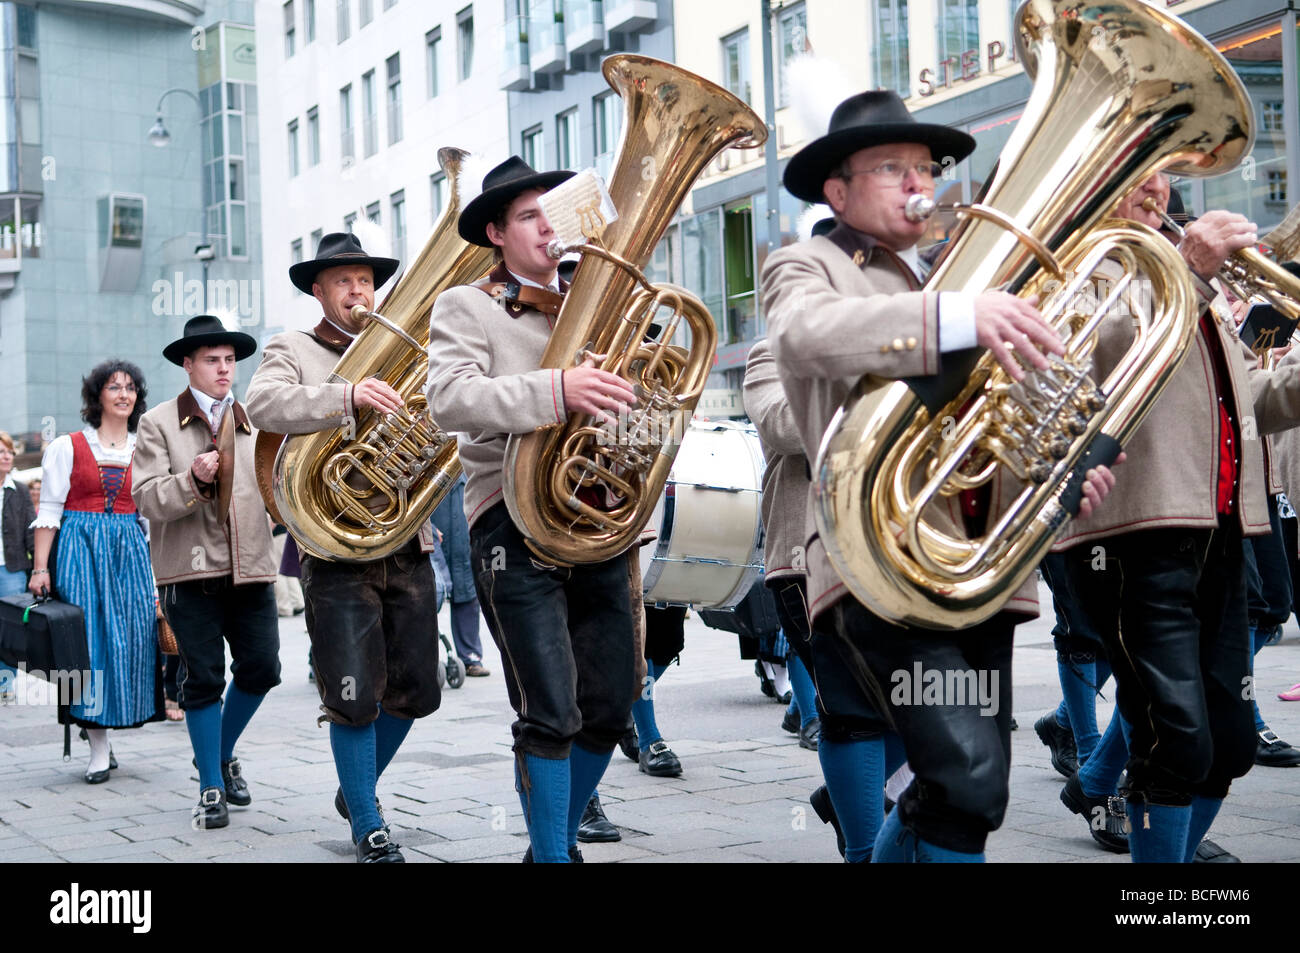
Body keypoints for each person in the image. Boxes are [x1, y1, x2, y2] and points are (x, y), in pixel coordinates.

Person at [762, 90, 1116, 862]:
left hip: (975, 566)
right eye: (891, 167)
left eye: (925, 167)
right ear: (838, 191)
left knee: (964, 793)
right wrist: (953, 318)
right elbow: (800, 334)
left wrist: (1056, 482)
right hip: (877, 567)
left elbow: (999, 423)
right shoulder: (809, 264)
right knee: (967, 774)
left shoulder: (960, 275)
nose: (917, 181)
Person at [1054, 172, 1300, 861]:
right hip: (1133, 533)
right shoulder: (1076, 266)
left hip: (1217, 527)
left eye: (1163, 168)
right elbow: (1100, 364)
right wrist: (1187, 270)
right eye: (1134, 168)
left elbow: (1248, 398)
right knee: (1175, 739)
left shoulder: (1182, 271)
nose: (1154, 184)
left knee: (1228, 739)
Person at [426, 156, 639, 863]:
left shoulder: (605, 299)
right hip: (510, 520)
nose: (548, 225)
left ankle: (553, 837)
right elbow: (450, 397)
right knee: (550, 706)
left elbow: (640, 408)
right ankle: (552, 852)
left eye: (554, 211)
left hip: (596, 515)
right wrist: (558, 390)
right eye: (527, 216)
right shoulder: (468, 306)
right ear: (496, 233)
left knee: (609, 703)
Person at [246, 232, 442, 863]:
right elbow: (262, 404)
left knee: (419, 690)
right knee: (353, 693)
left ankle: (355, 789)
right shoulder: (293, 348)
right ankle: (367, 820)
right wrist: (347, 395)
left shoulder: (403, 346)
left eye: (365, 280)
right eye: (344, 282)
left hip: (405, 536)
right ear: (318, 290)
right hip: (333, 544)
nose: (359, 291)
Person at [132, 315, 282, 830]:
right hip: (187, 574)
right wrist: (190, 479)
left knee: (263, 669)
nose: (224, 368)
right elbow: (146, 499)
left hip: (253, 569)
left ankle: (218, 752)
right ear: (188, 365)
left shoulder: (254, 420)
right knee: (202, 681)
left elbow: (275, 489)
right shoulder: (156, 424)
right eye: (212, 360)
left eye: (229, 359)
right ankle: (211, 788)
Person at [29, 360, 163, 781]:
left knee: (130, 639)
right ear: (97, 396)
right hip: (80, 549)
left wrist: (158, 577)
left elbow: (149, 519)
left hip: (129, 552)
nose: (124, 394)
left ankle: (111, 723)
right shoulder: (67, 446)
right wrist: (39, 569)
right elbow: (49, 510)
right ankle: (98, 742)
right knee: (85, 645)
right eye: (114, 387)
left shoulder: (143, 448)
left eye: (130, 388)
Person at [431, 473, 488, 676]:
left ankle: (470, 657)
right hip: (434, 543)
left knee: (467, 595)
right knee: (432, 595)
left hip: (464, 542)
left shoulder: (466, 467)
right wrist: (429, 528)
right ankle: (428, 658)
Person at [0, 431, 36, 703]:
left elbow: (31, 531)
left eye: (9, 452)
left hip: (12, 569)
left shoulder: (20, 489)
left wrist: (39, 567)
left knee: (9, 628)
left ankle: (5, 683)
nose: (5, 456)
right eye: (1, 451)